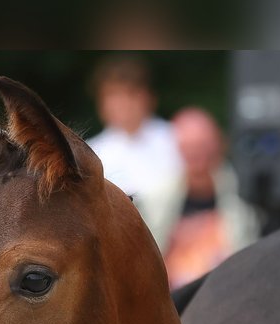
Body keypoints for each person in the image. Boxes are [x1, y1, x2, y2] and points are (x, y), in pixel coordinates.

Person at [86, 55, 185, 253]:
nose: (123, 104)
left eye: (130, 94)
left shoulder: (177, 139)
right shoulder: (91, 153)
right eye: (113, 96)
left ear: (148, 97)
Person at [163, 107, 259, 288]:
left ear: (219, 145)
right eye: (188, 148)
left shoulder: (243, 194)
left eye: (202, 147)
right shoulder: (158, 201)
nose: (196, 156)